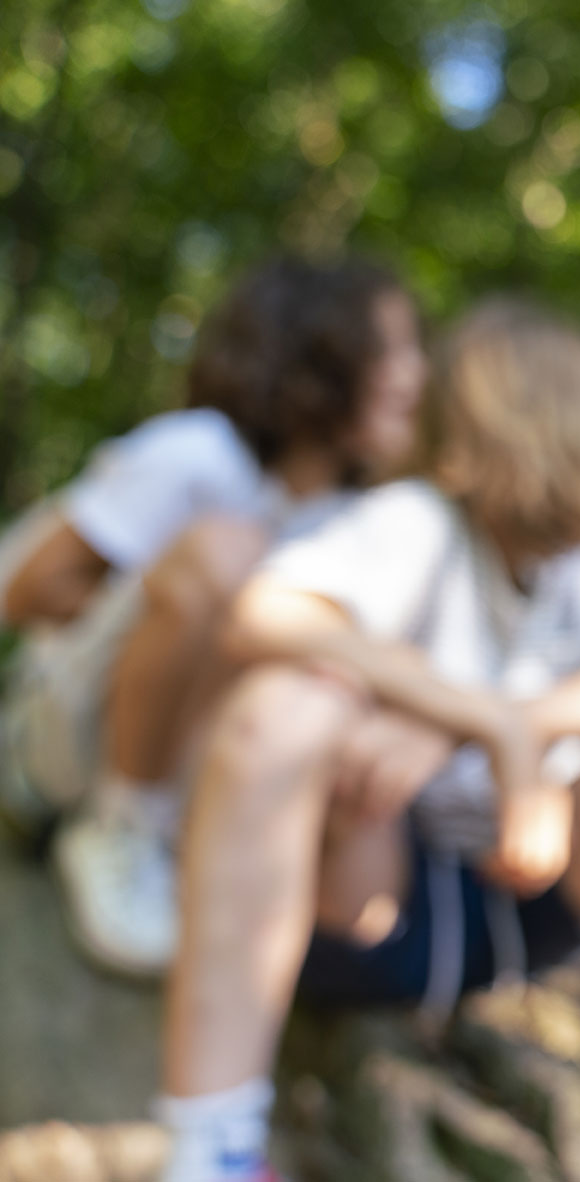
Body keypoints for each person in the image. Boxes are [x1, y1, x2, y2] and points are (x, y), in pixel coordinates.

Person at [155, 298, 580, 1182]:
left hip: (529, 908)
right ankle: (210, 1144)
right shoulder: (417, 524)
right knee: (287, 709)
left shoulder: (578, 575)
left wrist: (500, 726)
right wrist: (479, 722)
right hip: (380, 902)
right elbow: (265, 612)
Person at [0, 256, 426, 976]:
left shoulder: (351, 521)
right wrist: (185, 619)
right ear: (322, 352)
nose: (417, 376)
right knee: (228, 563)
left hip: (203, 760)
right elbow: (28, 592)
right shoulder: (201, 456)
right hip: (70, 732)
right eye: (396, 348)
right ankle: (121, 829)